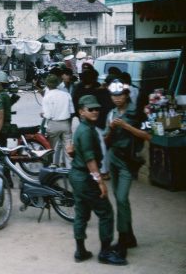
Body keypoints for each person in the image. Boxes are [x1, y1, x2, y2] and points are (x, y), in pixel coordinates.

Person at [68, 95, 127, 266]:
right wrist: (100, 181)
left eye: (97, 109)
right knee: (106, 213)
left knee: (81, 213)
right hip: (85, 177)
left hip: (78, 176)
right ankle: (105, 252)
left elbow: (77, 151)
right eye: (90, 109)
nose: (95, 112)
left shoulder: (85, 128)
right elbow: (90, 160)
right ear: (81, 111)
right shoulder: (86, 130)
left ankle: (80, 251)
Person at [104, 80, 151, 259]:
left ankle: (123, 239)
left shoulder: (137, 113)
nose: (117, 99)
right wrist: (110, 130)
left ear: (126, 95)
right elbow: (106, 142)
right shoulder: (111, 114)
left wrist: (126, 126)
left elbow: (148, 135)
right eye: (113, 96)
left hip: (128, 160)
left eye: (120, 95)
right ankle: (130, 236)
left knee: (122, 199)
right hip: (114, 159)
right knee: (119, 199)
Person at [41, 75, 74, 167]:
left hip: (53, 124)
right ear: (58, 84)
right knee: (68, 149)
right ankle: (69, 169)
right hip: (66, 123)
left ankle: (51, 167)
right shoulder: (66, 95)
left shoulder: (47, 97)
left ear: (47, 85)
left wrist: (42, 114)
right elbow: (72, 112)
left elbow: (47, 115)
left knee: (49, 149)